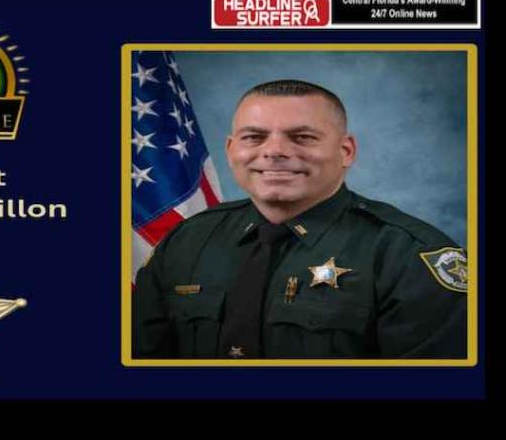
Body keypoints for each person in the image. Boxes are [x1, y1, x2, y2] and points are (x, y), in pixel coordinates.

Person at [133, 79, 467, 359]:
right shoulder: (187, 241)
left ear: (346, 151)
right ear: (232, 150)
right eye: (254, 137)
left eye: (302, 137)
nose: (274, 151)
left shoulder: (407, 256)